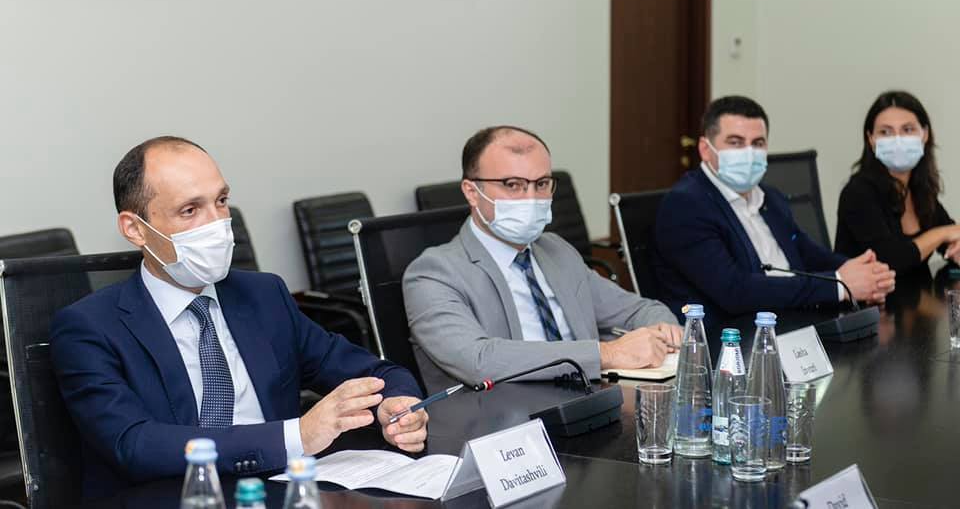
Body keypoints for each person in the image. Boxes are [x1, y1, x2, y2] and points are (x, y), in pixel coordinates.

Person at [51, 137, 428, 500]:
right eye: (190, 210)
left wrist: (396, 405)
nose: (216, 223)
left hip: (279, 492)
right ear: (135, 229)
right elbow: (134, 444)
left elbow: (376, 373)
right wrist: (298, 435)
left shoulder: (263, 295)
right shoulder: (90, 327)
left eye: (221, 201)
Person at [403, 126, 682, 393]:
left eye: (542, 184)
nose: (531, 198)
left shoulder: (555, 250)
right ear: (472, 192)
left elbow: (637, 310)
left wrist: (664, 331)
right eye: (513, 185)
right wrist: (607, 354)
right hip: (502, 417)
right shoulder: (433, 273)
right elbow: (478, 361)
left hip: (591, 404)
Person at [655, 96, 896, 322]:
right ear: (705, 149)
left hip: (792, 321)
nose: (749, 153)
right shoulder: (686, 205)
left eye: (757, 143)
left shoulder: (770, 197)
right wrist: (840, 285)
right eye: (735, 142)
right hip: (731, 336)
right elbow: (735, 291)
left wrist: (866, 275)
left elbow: (807, 254)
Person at [836, 91, 959, 276]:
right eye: (885, 132)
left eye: (907, 129)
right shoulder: (857, 192)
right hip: (874, 295)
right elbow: (890, 261)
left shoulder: (918, 187)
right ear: (871, 139)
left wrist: (954, 247)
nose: (898, 140)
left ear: (925, 134)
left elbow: (950, 240)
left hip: (920, 293)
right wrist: (942, 234)